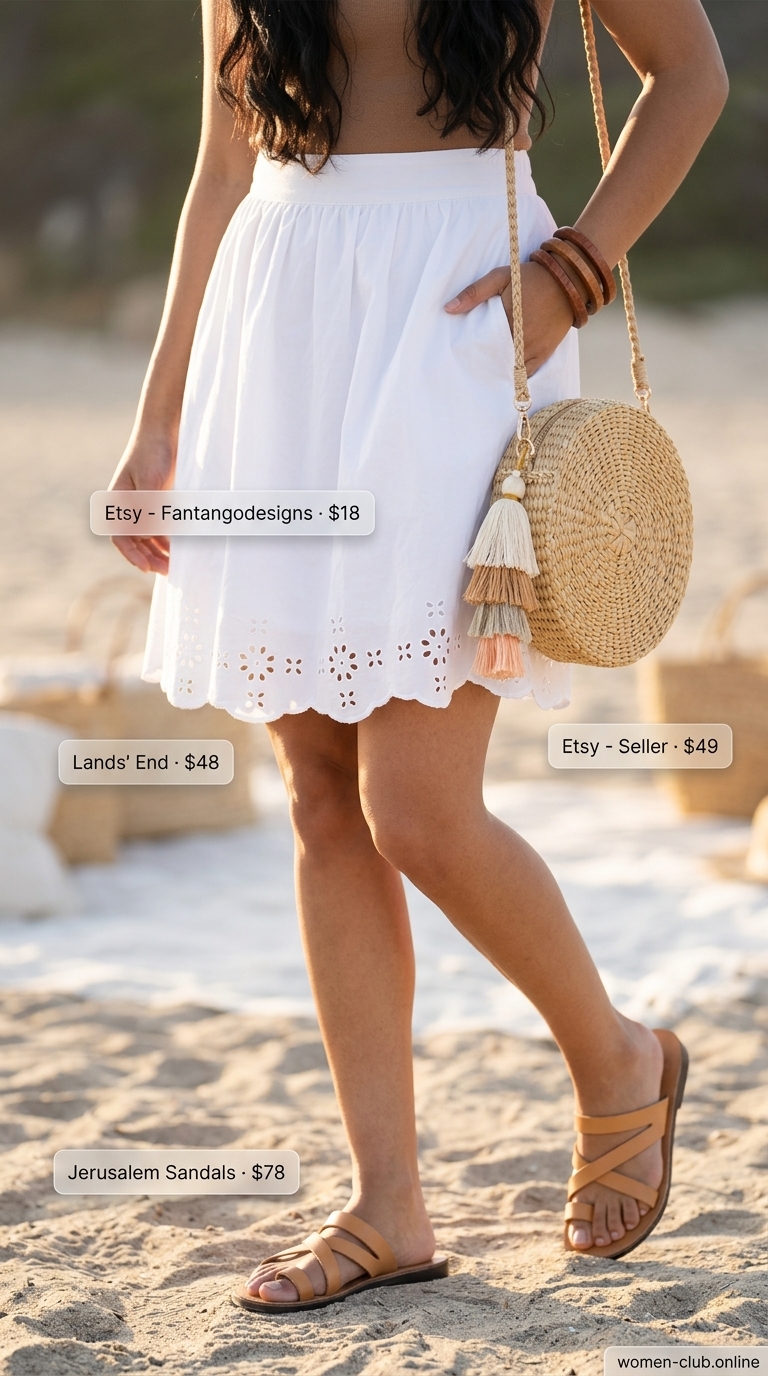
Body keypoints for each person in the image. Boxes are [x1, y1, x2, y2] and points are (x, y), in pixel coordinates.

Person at [110, 0, 727, 1311]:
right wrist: (160, 422)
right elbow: (225, 163)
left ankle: (619, 1059)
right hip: (277, 333)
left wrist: (572, 274)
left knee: (419, 811)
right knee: (323, 797)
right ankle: (390, 1208)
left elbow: (692, 76)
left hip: (460, 319)